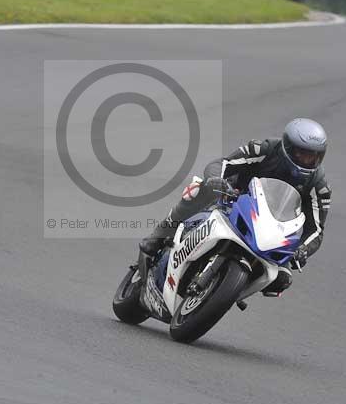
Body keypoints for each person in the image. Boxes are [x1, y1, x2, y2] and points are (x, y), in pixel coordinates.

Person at [139, 118, 331, 295]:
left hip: (274, 230)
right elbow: (224, 163)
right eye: (302, 153)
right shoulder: (263, 149)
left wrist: (303, 250)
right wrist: (217, 180)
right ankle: (160, 235)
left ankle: (229, 292)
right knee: (199, 191)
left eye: (313, 156)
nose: (307, 160)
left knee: (282, 279)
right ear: (287, 146)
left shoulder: (319, 185)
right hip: (235, 200)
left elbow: (316, 229)